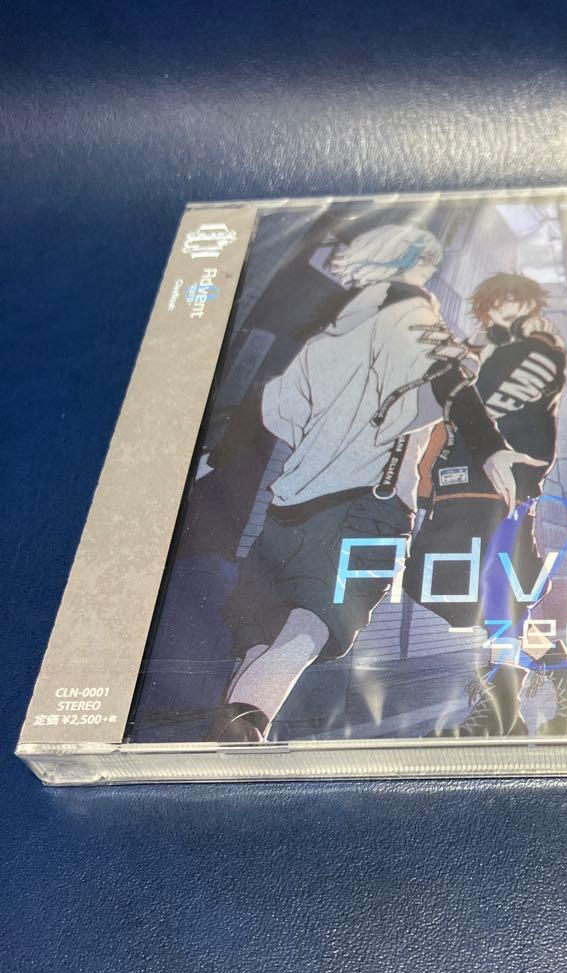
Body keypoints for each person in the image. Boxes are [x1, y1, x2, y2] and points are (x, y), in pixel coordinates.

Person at [205, 225, 541, 742]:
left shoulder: (331, 335)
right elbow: (450, 380)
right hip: (367, 505)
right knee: (316, 622)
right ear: (411, 265)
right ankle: (244, 729)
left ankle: (239, 730)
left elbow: (278, 408)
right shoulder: (412, 311)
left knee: (262, 628)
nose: (430, 273)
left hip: (293, 501)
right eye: (426, 264)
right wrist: (491, 447)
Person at [403, 273, 567, 737]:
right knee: (451, 586)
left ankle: (501, 714)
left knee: (494, 596)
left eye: (514, 302)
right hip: (464, 483)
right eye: (496, 305)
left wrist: (461, 369)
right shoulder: (488, 349)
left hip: (499, 485)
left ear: (529, 303)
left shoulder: (540, 348)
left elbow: (482, 406)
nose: (505, 311)